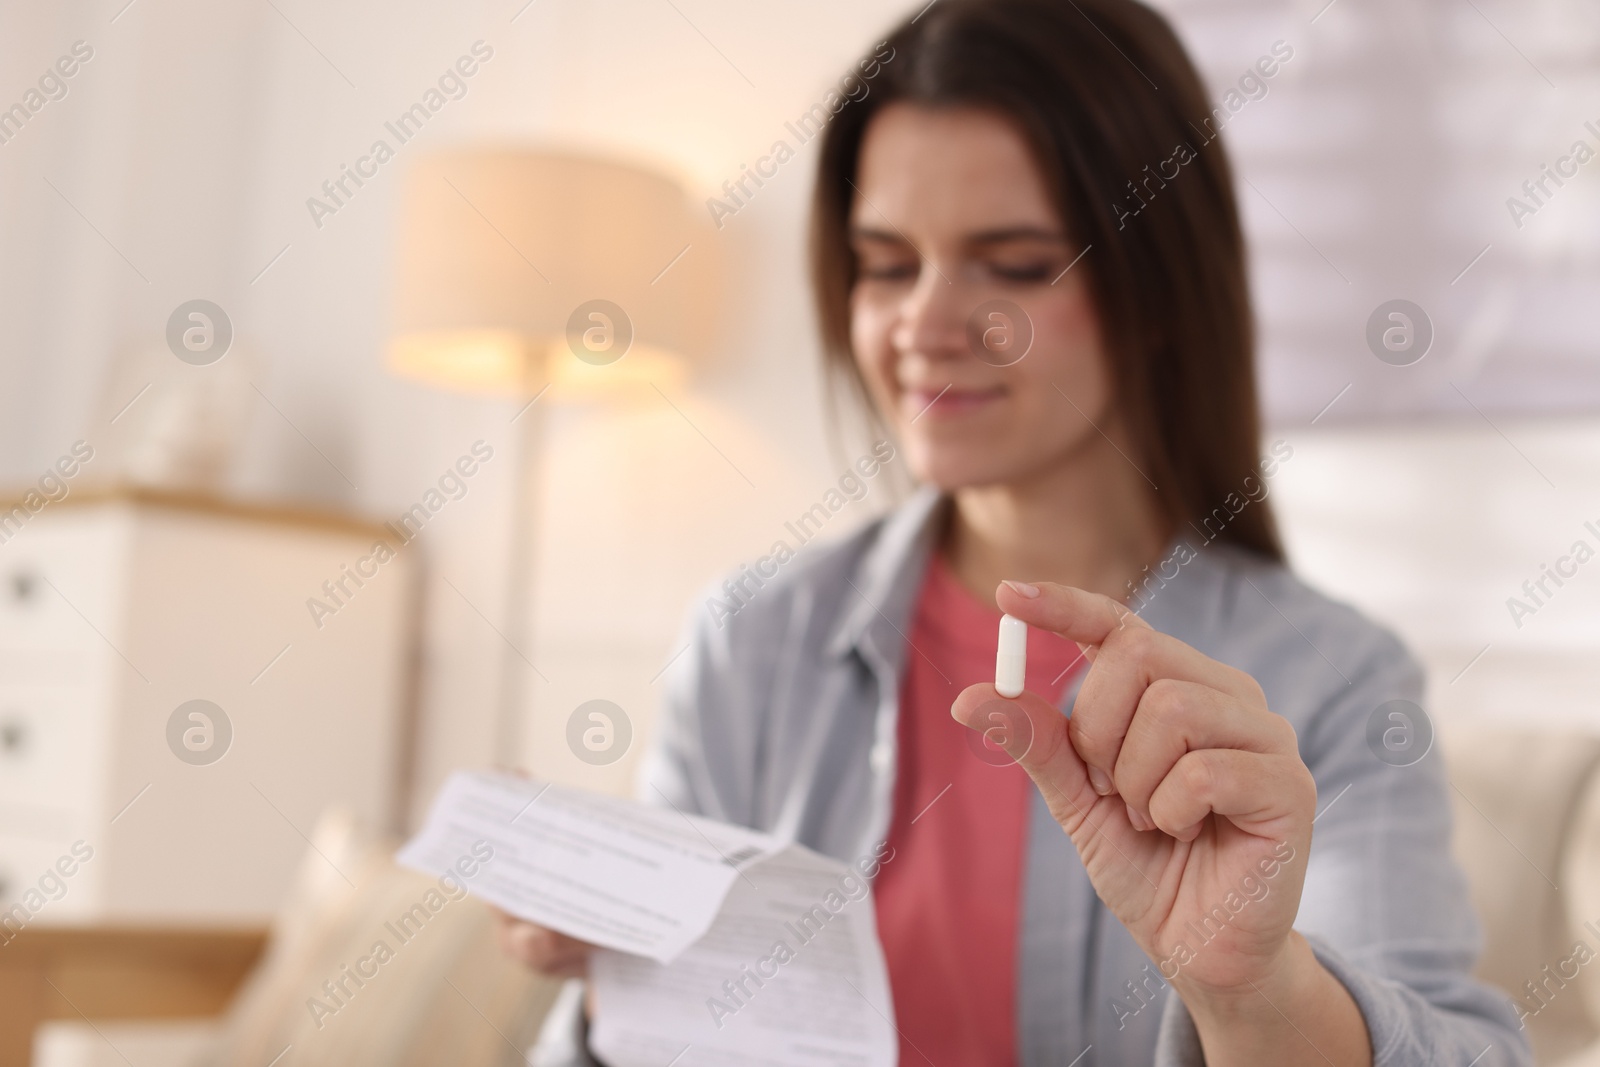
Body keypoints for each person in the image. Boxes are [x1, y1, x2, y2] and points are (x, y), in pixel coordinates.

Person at [503, 0, 1531, 1063]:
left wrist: (1256, 993)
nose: (927, 322)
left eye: (1014, 262)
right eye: (889, 263)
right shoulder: (749, 643)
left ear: (1154, 289)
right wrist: (612, 992)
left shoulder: (1329, 682)